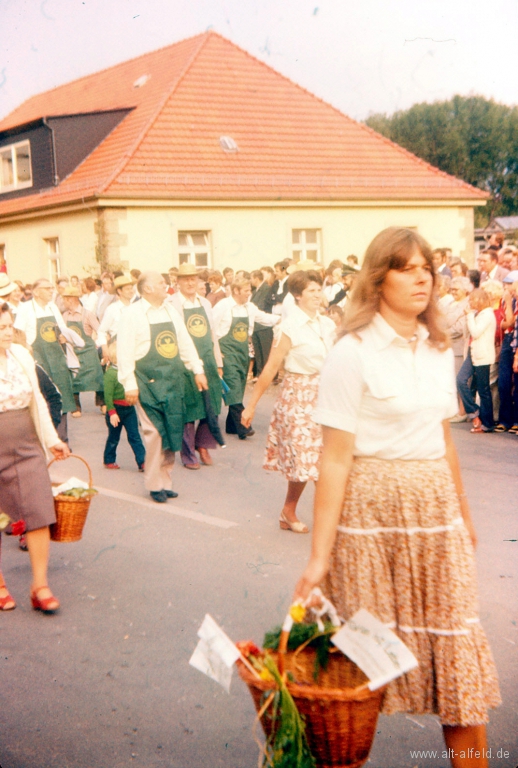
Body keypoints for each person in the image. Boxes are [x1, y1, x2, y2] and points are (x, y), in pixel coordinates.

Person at [293, 228, 500, 768]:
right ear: (378, 278)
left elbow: (444, 437)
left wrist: (464, 515)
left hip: (435, 516)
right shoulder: (351, 353)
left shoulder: (437, 347)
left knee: (458, 661)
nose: (422, 277)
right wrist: (319, 558)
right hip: (370, 521)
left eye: (426, 267)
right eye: (407, 268)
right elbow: (334, 459)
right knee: (361, 670)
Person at [242, 269, 335, 532]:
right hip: (298, 398)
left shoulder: (327, 325)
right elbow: (271, 368)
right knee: (307, 460)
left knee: (321, 460)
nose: (318, 295)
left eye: (320, 290)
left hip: (326, 396)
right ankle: (331, 516)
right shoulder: (289, 327)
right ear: (298, 296)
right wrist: (251, 405)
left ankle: (289, 510)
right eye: (312, 291)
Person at [0, 303, 70, 613]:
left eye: (9, 324)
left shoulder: (20, 355)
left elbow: (38, 402)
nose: (7, 331)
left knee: (39, 511)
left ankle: (39, 586)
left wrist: (52, 440)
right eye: (1, 327)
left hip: (27, 446)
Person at [117, 271, 208, 502]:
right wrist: (129, 384)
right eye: (159, 282)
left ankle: (166, 481)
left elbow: (185, 342)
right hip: (146, 383)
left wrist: (197, 370)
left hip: (172, 381)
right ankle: (154, 484)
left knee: (171, 431)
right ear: (146, 289)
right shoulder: (132, 314)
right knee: (155, 433)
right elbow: (125, 351)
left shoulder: (169, 310)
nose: (165, 284)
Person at [14, 278, 84, 442]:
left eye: (52, 288)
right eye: (47, 288)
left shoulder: (53, 307)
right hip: (38, 357)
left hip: (56, 355)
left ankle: (62, 437)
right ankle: (43, 437)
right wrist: (26, 346)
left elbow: (61, 328)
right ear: (36, 292)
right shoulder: (25, 309)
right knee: (42, 397)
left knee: (63, 394)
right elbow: (17, 333)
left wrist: (63, 337)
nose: (51, 291)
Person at [169, 263, 223, 469]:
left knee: (214, 403)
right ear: (178, 282)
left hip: (207, 359)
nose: (191, 283)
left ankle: (204, 445)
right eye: (186, 279)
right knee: (190, 407)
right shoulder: (171, 304)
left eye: (194, 279)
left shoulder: (205, 303)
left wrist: (218, 362)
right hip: (185, 362)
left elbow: (212, 333)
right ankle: (188, 452)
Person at [213, 277, 279, 439]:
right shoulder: (223, 306)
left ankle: (231, 426)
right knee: (233, 386)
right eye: (246, 291)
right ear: (236, 291)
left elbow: (263, 317)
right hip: (226, 352)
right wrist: (215, 352)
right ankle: (243, 426)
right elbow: (211, 327)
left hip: (242, 352)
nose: (250, 294)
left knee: (239, 388)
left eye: (250, 290)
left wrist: (281, 319)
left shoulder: (249, 307)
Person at [456, 289, 496, 433]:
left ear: (479, 300)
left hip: (483, 356)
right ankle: (474, 412)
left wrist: (469, 317)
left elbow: (476, 332)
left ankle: (487, 423)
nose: (470, 303)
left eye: (472, 300)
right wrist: (468, 317)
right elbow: (468, 333)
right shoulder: (477, 314)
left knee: (483, 389)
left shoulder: (487, 315)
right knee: (460, 380)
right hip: (473, 354)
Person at [61, 285, 104, 417]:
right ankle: (75, 406)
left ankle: (102, 403)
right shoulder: (64, 315)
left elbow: (100, 330)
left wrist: (101, 344)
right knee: (73, 379)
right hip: (73, 352)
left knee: (98, 377)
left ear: (72, 299)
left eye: (65, 299)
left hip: (88, 351)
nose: (63, 302)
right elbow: (62, 332)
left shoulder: (88, 314)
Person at [102, 340, 145, 471]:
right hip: (116, 409)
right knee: (114, 437)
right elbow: (108, 396)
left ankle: (142, 461)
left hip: (129, 409)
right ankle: (109, 459)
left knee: (135, 436)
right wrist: (112, 413)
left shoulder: (129, 372)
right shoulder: (111, 374)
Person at [250, 270, 275, 378]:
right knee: (258, 352)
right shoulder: (256, 291)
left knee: (265, 352)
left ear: (256, 278)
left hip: (264, 325)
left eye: (251, 278)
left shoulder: (266, 288)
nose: (251, 281)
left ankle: (268, 375)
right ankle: (260, 373)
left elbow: (261, 305)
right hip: (256, 325)